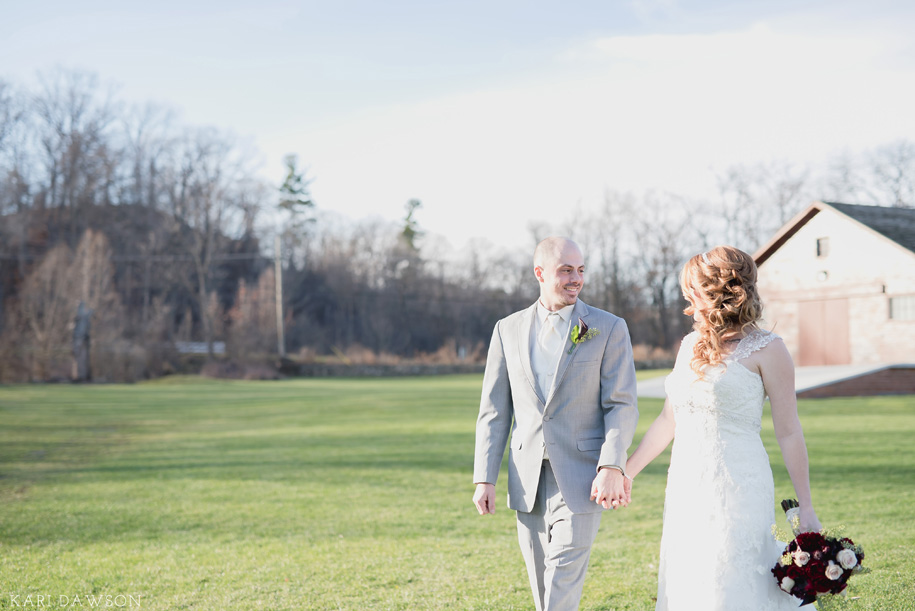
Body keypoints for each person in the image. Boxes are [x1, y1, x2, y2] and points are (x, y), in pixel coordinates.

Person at [624, 245, 822, 610]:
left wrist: (806, 506)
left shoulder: (769, 349)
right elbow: (670, 418)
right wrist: (627, 472)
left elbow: (789, 431)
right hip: (686, 483)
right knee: (691, 576)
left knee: (732, 578)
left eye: (693, 291)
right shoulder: (689, 346)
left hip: (738, 484)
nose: (687, 299)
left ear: (718, 291)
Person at [472, 236, 639, 611]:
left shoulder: (608, 328)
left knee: (562, 577)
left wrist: (612, 464)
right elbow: (494, 410)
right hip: (526, 475)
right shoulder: (507, 329)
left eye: (580, 270)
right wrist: (485, 476)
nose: (575, 279)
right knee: (542, 586)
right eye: (566, 270)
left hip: (582, 475)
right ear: (540, 273)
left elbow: (622, 405)